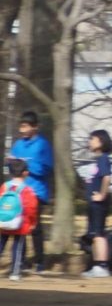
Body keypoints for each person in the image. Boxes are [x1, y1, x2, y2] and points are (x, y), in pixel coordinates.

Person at [11, 114, 50, 274]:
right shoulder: (18, 144)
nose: (23, 129)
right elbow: (12, 167)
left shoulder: (42, 145)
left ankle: (40, 261)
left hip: (36, 192)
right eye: (21, 126)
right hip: (19, 191)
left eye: (26, 126)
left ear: (35, 127)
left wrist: (26, 165)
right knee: (19, 226)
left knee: (35, 227)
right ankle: (22, 260)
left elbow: (45, 169)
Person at [79, 131, 111, 277]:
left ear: (101, 142)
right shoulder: (97, 160)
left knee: (98, 234)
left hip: (99, 203)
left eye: (92, 139)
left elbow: (107, 178)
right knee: (93, 234)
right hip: (92, 203)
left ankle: (102, 266)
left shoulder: (104, 159)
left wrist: (102, 195)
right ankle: (96, 265)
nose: (89, 142)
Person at [0, 159, 33, 278]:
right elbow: (31, 208)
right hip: (20, 224)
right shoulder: (27, 190)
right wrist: (32, 222)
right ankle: (15, 272)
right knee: (17, 249)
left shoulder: (4, 186)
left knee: (1, 244)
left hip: (3, 221)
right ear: (25, 173)